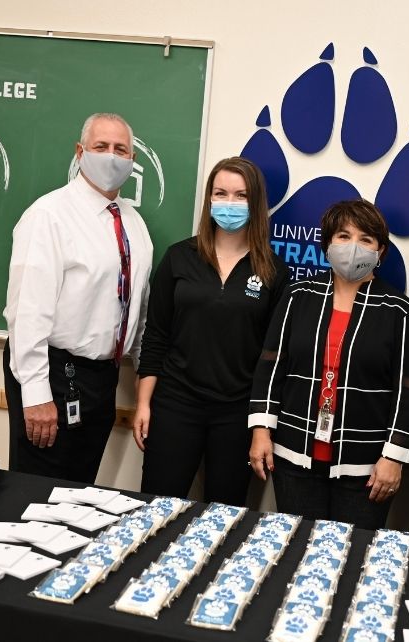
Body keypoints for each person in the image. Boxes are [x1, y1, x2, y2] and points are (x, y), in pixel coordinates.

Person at [248, 199, 409, 529]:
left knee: (353, 560)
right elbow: (271, 366)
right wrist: (261, 431)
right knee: (296, 552)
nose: (353, 247)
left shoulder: (399, 310)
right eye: (343, 236)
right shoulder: (298, 294)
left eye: (366, 239)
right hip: (294, 456)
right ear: (327, 243)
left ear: (381, 251)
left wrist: (394, 457)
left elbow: (408, 391)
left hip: (367, 468)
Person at [4, 112, 153, 483]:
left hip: (102, 379)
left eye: (121, 149)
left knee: (80, 490)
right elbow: (28, 313)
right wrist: (36, 394)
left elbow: (139, 308)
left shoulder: (133, 223)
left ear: (132, 161)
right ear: (80, 151)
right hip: (51, 374)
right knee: (36, 496)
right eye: (101, 146)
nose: (111, 156)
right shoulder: (49, 215)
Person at [134, 157, 288, 506]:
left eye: (241, 195)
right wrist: (143, 403)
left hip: (237, 414)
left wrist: (262, 424)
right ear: (209, 199)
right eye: (221, 193)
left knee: (225, 517)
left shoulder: (274, 271)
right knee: (157, 509)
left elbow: (273, 357)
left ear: (256, 203)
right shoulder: (178, 258)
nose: (229, 203)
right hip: (175, 405)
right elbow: (155, 335)